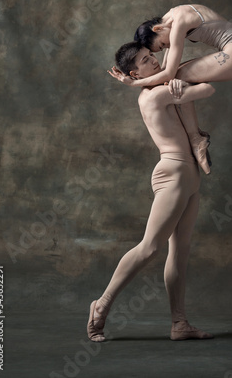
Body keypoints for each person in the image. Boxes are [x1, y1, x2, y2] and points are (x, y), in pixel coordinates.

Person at [88, 41, 215, 342]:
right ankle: (100, 305)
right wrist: (176, 81)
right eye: (146, 60)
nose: (155, 61)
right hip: (173, 174)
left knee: (179, 252)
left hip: (189, 175)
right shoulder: (155, 95)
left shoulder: (157, 89)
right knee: (150, 247)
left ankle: (179, 324)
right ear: (135, 72)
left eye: (152, 55)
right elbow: (208, 89)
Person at [109, 4, 232, 173]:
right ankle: (195, 138)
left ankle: (195, 138)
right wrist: (164, 82)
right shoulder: (172, 17)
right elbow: (166, 71)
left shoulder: (179, 23)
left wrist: (133, 83)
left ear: (157, 28)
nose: (166, 47)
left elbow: (170, 73)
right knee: (174, 79)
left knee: (176, 77)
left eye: (162, 45)